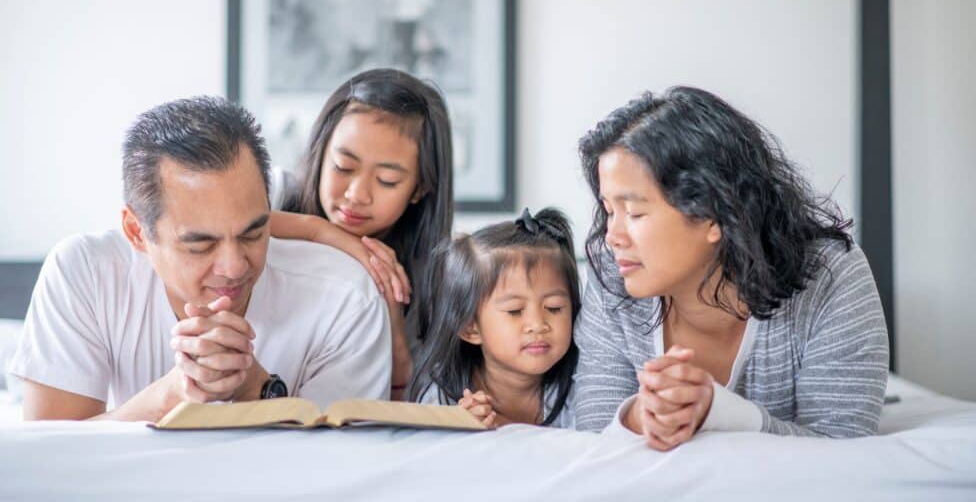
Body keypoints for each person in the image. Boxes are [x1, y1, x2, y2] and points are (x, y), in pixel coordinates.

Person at [10, 96, 391, 422]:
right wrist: (172, 395)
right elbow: (51, 455)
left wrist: (254, 387)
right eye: (200, 244)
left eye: (253, 233)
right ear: (136, 232)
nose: (235, 266)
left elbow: (346, 470)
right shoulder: (86, 274)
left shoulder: (345, 296)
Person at [574, 86, 889, 449]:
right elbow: (594, 438)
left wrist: (719, 412)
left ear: (714, 214)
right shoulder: (612, 274)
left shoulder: (830, 276)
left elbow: (843, 449)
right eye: (609, 210)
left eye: (634, 212)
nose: (612, 237)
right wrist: (638, 417)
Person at [268, 68, 454, 400]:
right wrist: (317, 231)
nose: (357, 194)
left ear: (419, 189)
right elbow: (211, 222)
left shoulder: (436, 277)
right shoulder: (276, 193)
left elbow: (406, 412)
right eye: (343, 166)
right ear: (322, 151)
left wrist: (395, 331)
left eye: (386, 180)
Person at [409, 208, 580, 429]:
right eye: (515, 310)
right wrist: (458, 429)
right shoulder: (442, 396)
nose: (538, 324)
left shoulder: (582, 385)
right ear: (470, 327)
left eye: (554, 308)